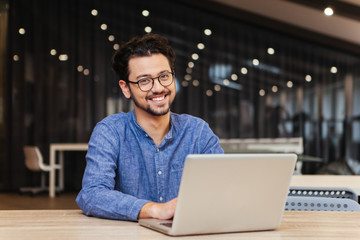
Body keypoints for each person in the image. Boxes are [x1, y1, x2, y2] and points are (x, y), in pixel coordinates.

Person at [76, 33, 224, 221]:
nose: (158, 88)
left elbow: (222, 188)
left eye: (164, 76)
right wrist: (154, 210)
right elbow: (92, 195)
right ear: (126, 88)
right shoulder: (110, 132)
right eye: (144, 81)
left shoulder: (197, 131)